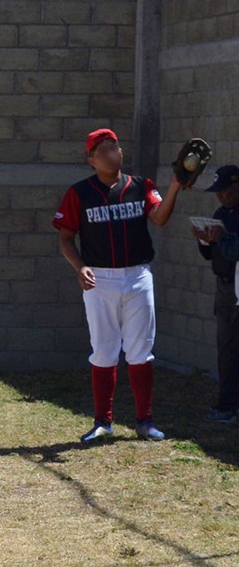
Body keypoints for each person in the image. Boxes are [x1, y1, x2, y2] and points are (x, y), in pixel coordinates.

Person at [53, 128, 184, 443]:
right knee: (104, 349)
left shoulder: (140, 186)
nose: (111, 153)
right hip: (100, 277)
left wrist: (176, 186)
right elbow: (65, 238)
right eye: (102, 150)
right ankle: (102, 421)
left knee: (141, 349)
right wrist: (80, 266)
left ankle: (145, 421)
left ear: (121, 152)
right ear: (91, 160)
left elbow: (160, 217)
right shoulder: (79, 193)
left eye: (114, 147)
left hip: (138, 275)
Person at [190, 165, 239, 423]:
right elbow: (211, 254)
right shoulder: (221, 213)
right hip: (224, 287)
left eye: (227, 191)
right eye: (218, 193)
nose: (222, 197)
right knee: (226, 348)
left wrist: (221, 238)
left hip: (237, 285)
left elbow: (234, 250)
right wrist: (203, 239)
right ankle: (226, 404)